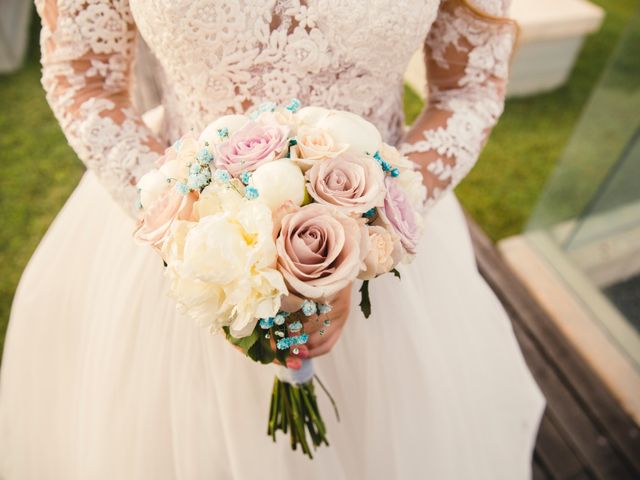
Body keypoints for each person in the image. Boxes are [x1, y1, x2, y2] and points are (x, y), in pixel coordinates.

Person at [0, 0, 545, 478]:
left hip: (378, 258)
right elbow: (84, 79)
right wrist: (197, 241)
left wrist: (365, 234)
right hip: (176, 243)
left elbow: (466, 92)